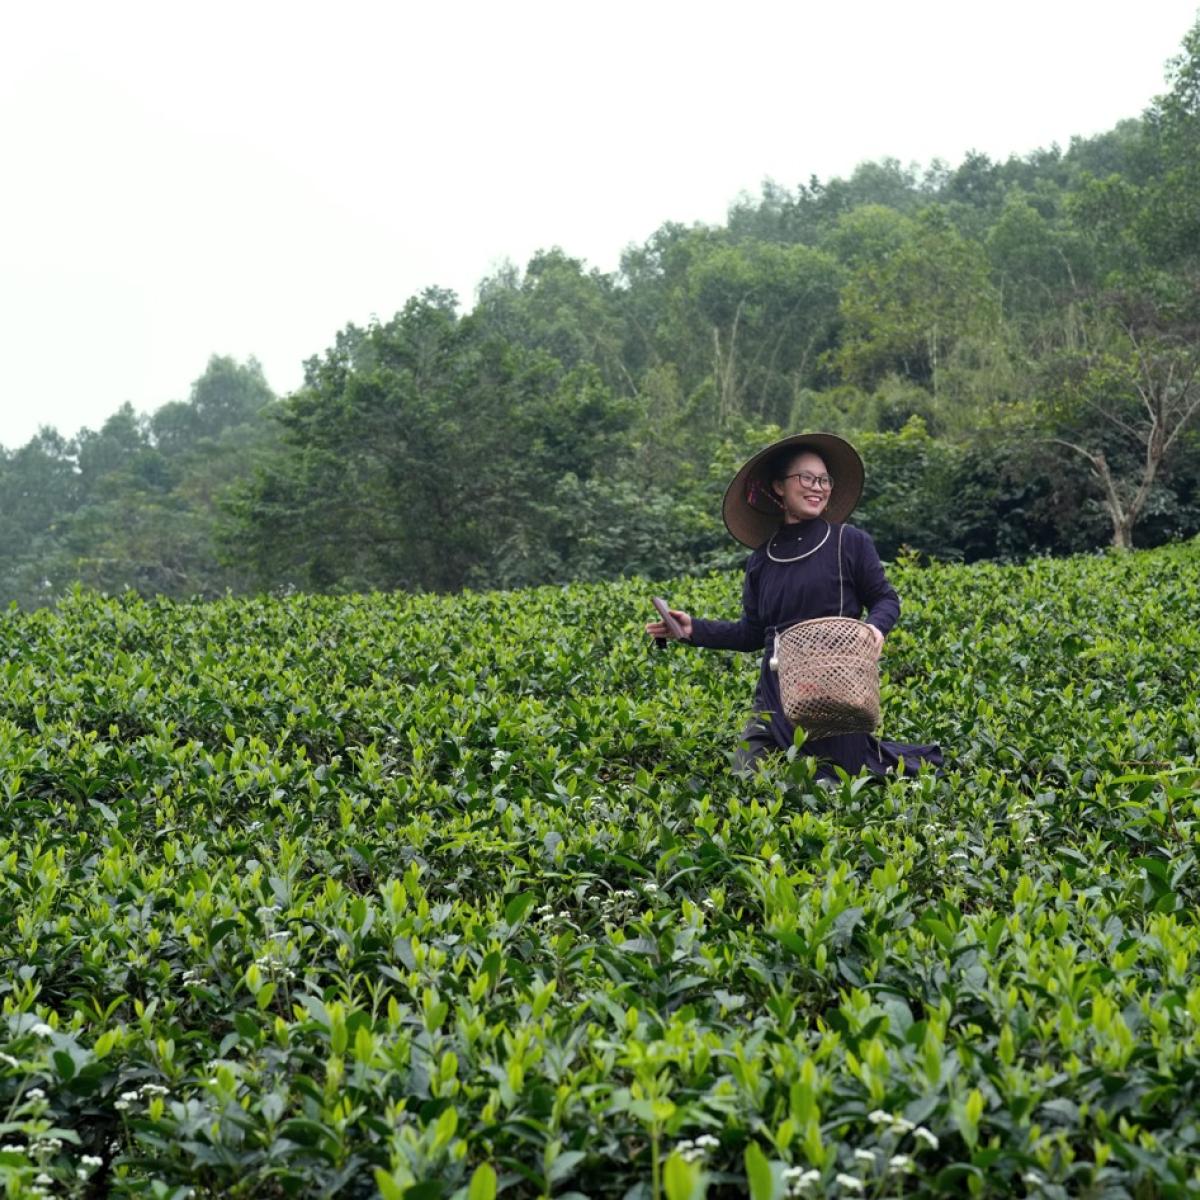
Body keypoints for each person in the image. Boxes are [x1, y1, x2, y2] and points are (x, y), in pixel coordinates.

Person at [645, 432, 943, 778]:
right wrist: (692, 629)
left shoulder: (849, 542)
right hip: (774, 699)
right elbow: (752, 633)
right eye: (806, 477)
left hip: (835, 697)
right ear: (778, 487)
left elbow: (885, 598)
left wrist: (875, 627)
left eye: (824, 480)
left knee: (832, 790)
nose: (817, 487)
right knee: (748, 781)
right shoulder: (762, 560)